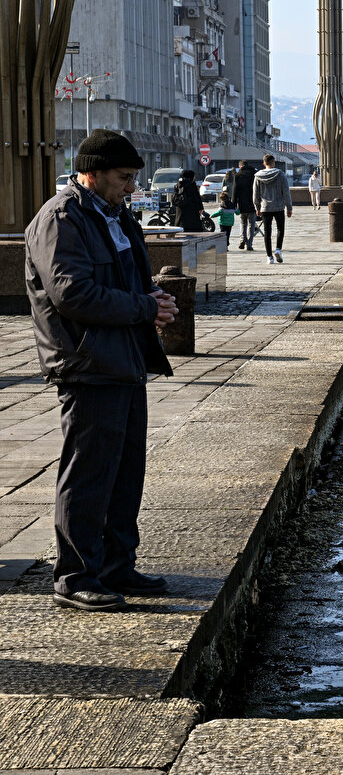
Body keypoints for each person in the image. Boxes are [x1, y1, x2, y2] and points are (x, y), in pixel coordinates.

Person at [24, 129, 178, 612]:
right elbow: (72, 294)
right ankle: (76, 575)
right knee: (88, 472)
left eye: (133, 179)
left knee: (125, 471)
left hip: (124, 359)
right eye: (123, 178)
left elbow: (132, 281)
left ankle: (116, 565)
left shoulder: (113, 216)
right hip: (87, 362)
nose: (131, 187)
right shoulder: (62, 218)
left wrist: (153, 300)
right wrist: (142, 307)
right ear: (91, 173)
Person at [253, 153, 293, 264]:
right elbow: (286, 193)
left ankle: (269, 257)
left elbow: (255, 194)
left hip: (265, 207)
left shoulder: (258, 176)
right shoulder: (281, 175)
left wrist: (257, 207)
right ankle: (278, 249)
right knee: (280, 229)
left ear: (264, 163)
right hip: (279, 206)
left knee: (267, 232)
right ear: (273, 162)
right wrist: (289, 207)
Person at [233, 159, 257, 250]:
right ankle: (249, 244)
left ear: (240, 166)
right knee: (251, 224)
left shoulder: (238, 175)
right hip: (253, 203)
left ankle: (242, 239)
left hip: (242, 204)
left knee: (243, 222)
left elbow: (235, 191)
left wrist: (234, 204)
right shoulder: (254, 174)